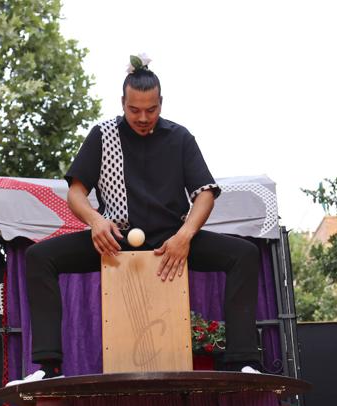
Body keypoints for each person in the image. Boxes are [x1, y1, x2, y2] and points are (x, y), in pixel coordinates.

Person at [19, 55, 262, 383]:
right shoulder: (103, 135)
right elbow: (76, 192)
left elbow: (205, 192)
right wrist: (95, 221)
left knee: (244, 254)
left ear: (161, 103)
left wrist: (185, 236)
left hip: (170, 240)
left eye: (151, 109)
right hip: (115, 240)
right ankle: (48, 369)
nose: (143, 117)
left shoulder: (180, 138)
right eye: (134, 110)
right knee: (38, 257)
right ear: (123, 103)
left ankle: (241, 363)